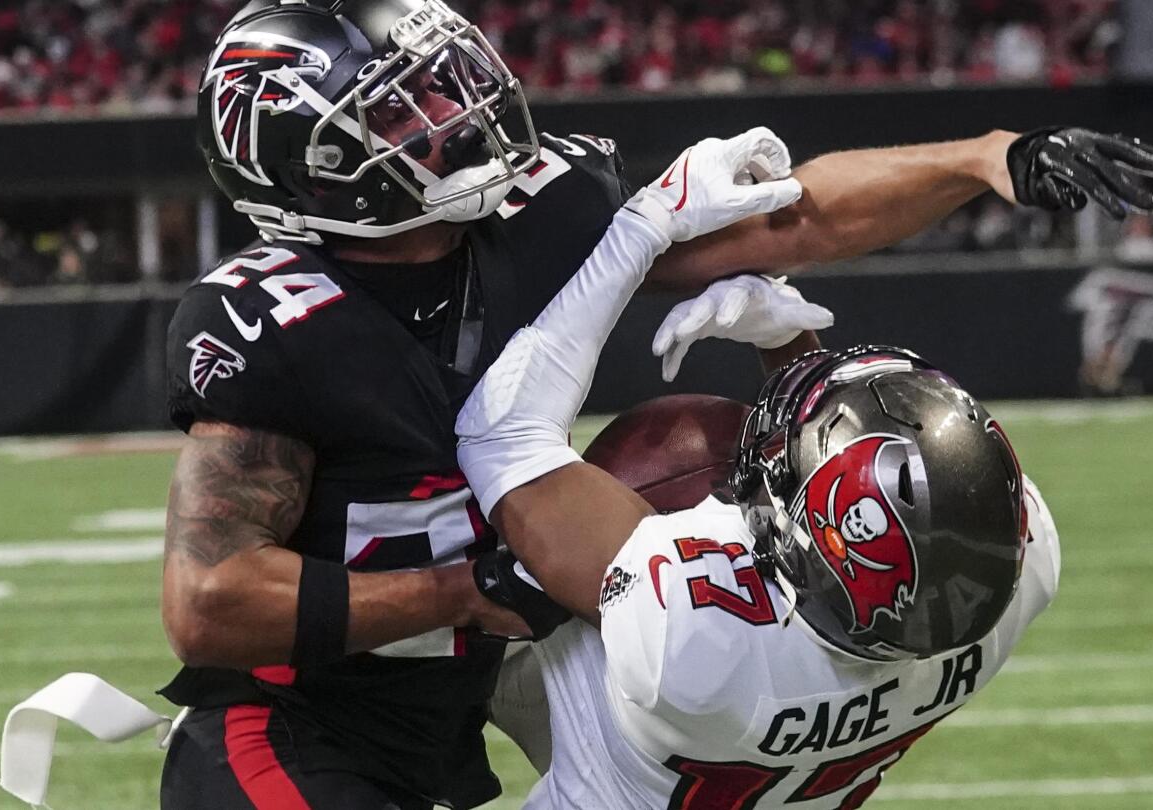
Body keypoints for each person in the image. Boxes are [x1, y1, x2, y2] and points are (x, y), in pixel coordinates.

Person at [159, 1, 1153, 807]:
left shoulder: (538, 214)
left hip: (480, 683)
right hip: (302, 722)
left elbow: (795, 221)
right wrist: (458, 593)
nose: (454, 116)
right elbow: (208, 603)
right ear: (311, 167)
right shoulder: (275, 325)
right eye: (399, 113)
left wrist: (984, 158)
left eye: (444, 85)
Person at [454, 130, 1060, 809]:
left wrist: (645, 225)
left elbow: (500, 433)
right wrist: (789, 346)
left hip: (624, 765)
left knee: (480, 548)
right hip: (751, 763)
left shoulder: (690, 639)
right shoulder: (1005, 580)